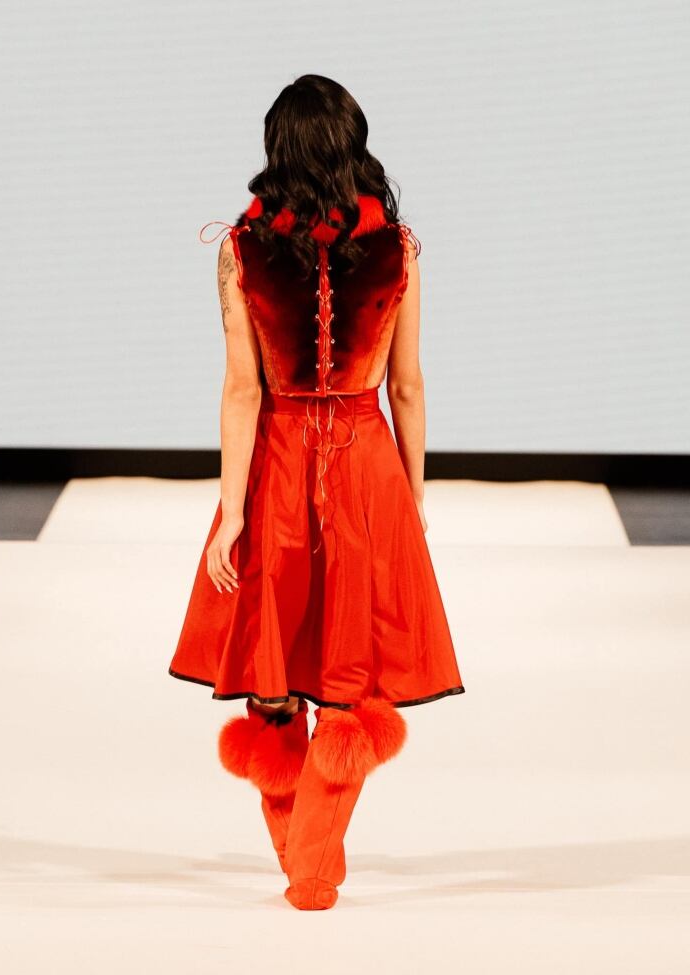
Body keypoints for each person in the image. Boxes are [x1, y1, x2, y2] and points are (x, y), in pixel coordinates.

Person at [168, 73, 465, 910]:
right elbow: (406, 387)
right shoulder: (398, 249)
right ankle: (315, 865)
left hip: (279, 460)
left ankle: (300, 851)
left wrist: (231, 514)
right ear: (354, 144)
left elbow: (241, 390)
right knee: (347, 667)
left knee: (273, 658)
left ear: (276, 150)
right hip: (366, 462)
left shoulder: (241, 249)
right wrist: (410, 493)